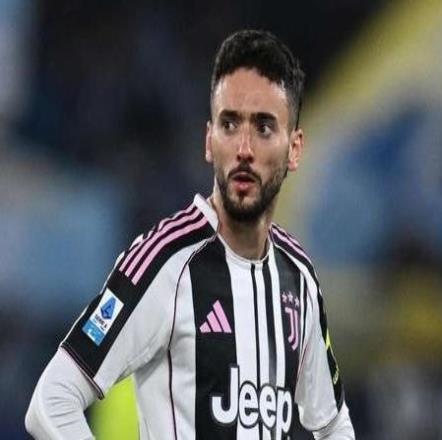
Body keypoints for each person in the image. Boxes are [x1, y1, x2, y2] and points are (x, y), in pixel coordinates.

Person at [25, 29, 355, 440]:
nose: (244, 148)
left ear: (294, 149)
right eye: (230, 124)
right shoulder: (165, 260)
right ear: (209, 141)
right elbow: (51, 402)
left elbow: (333, 423)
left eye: (264, 127)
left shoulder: (298, 276)